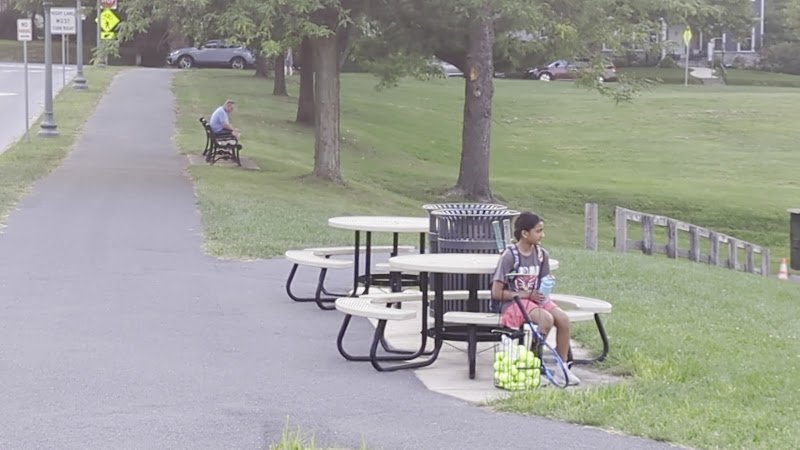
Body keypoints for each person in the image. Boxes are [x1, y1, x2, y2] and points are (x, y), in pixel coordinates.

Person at [490, 211, 581, 385]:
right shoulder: (510, 256)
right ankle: (533, 362)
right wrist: (526, 294)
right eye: (538, 231)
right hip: (513, 302)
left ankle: (561, 367)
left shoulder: (541, 255)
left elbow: (542, 282)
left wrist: (546, 287)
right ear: (525, 233)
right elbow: (497, 293)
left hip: (535, 299)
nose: (542, 235)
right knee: (546, 319)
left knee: (563, 319)